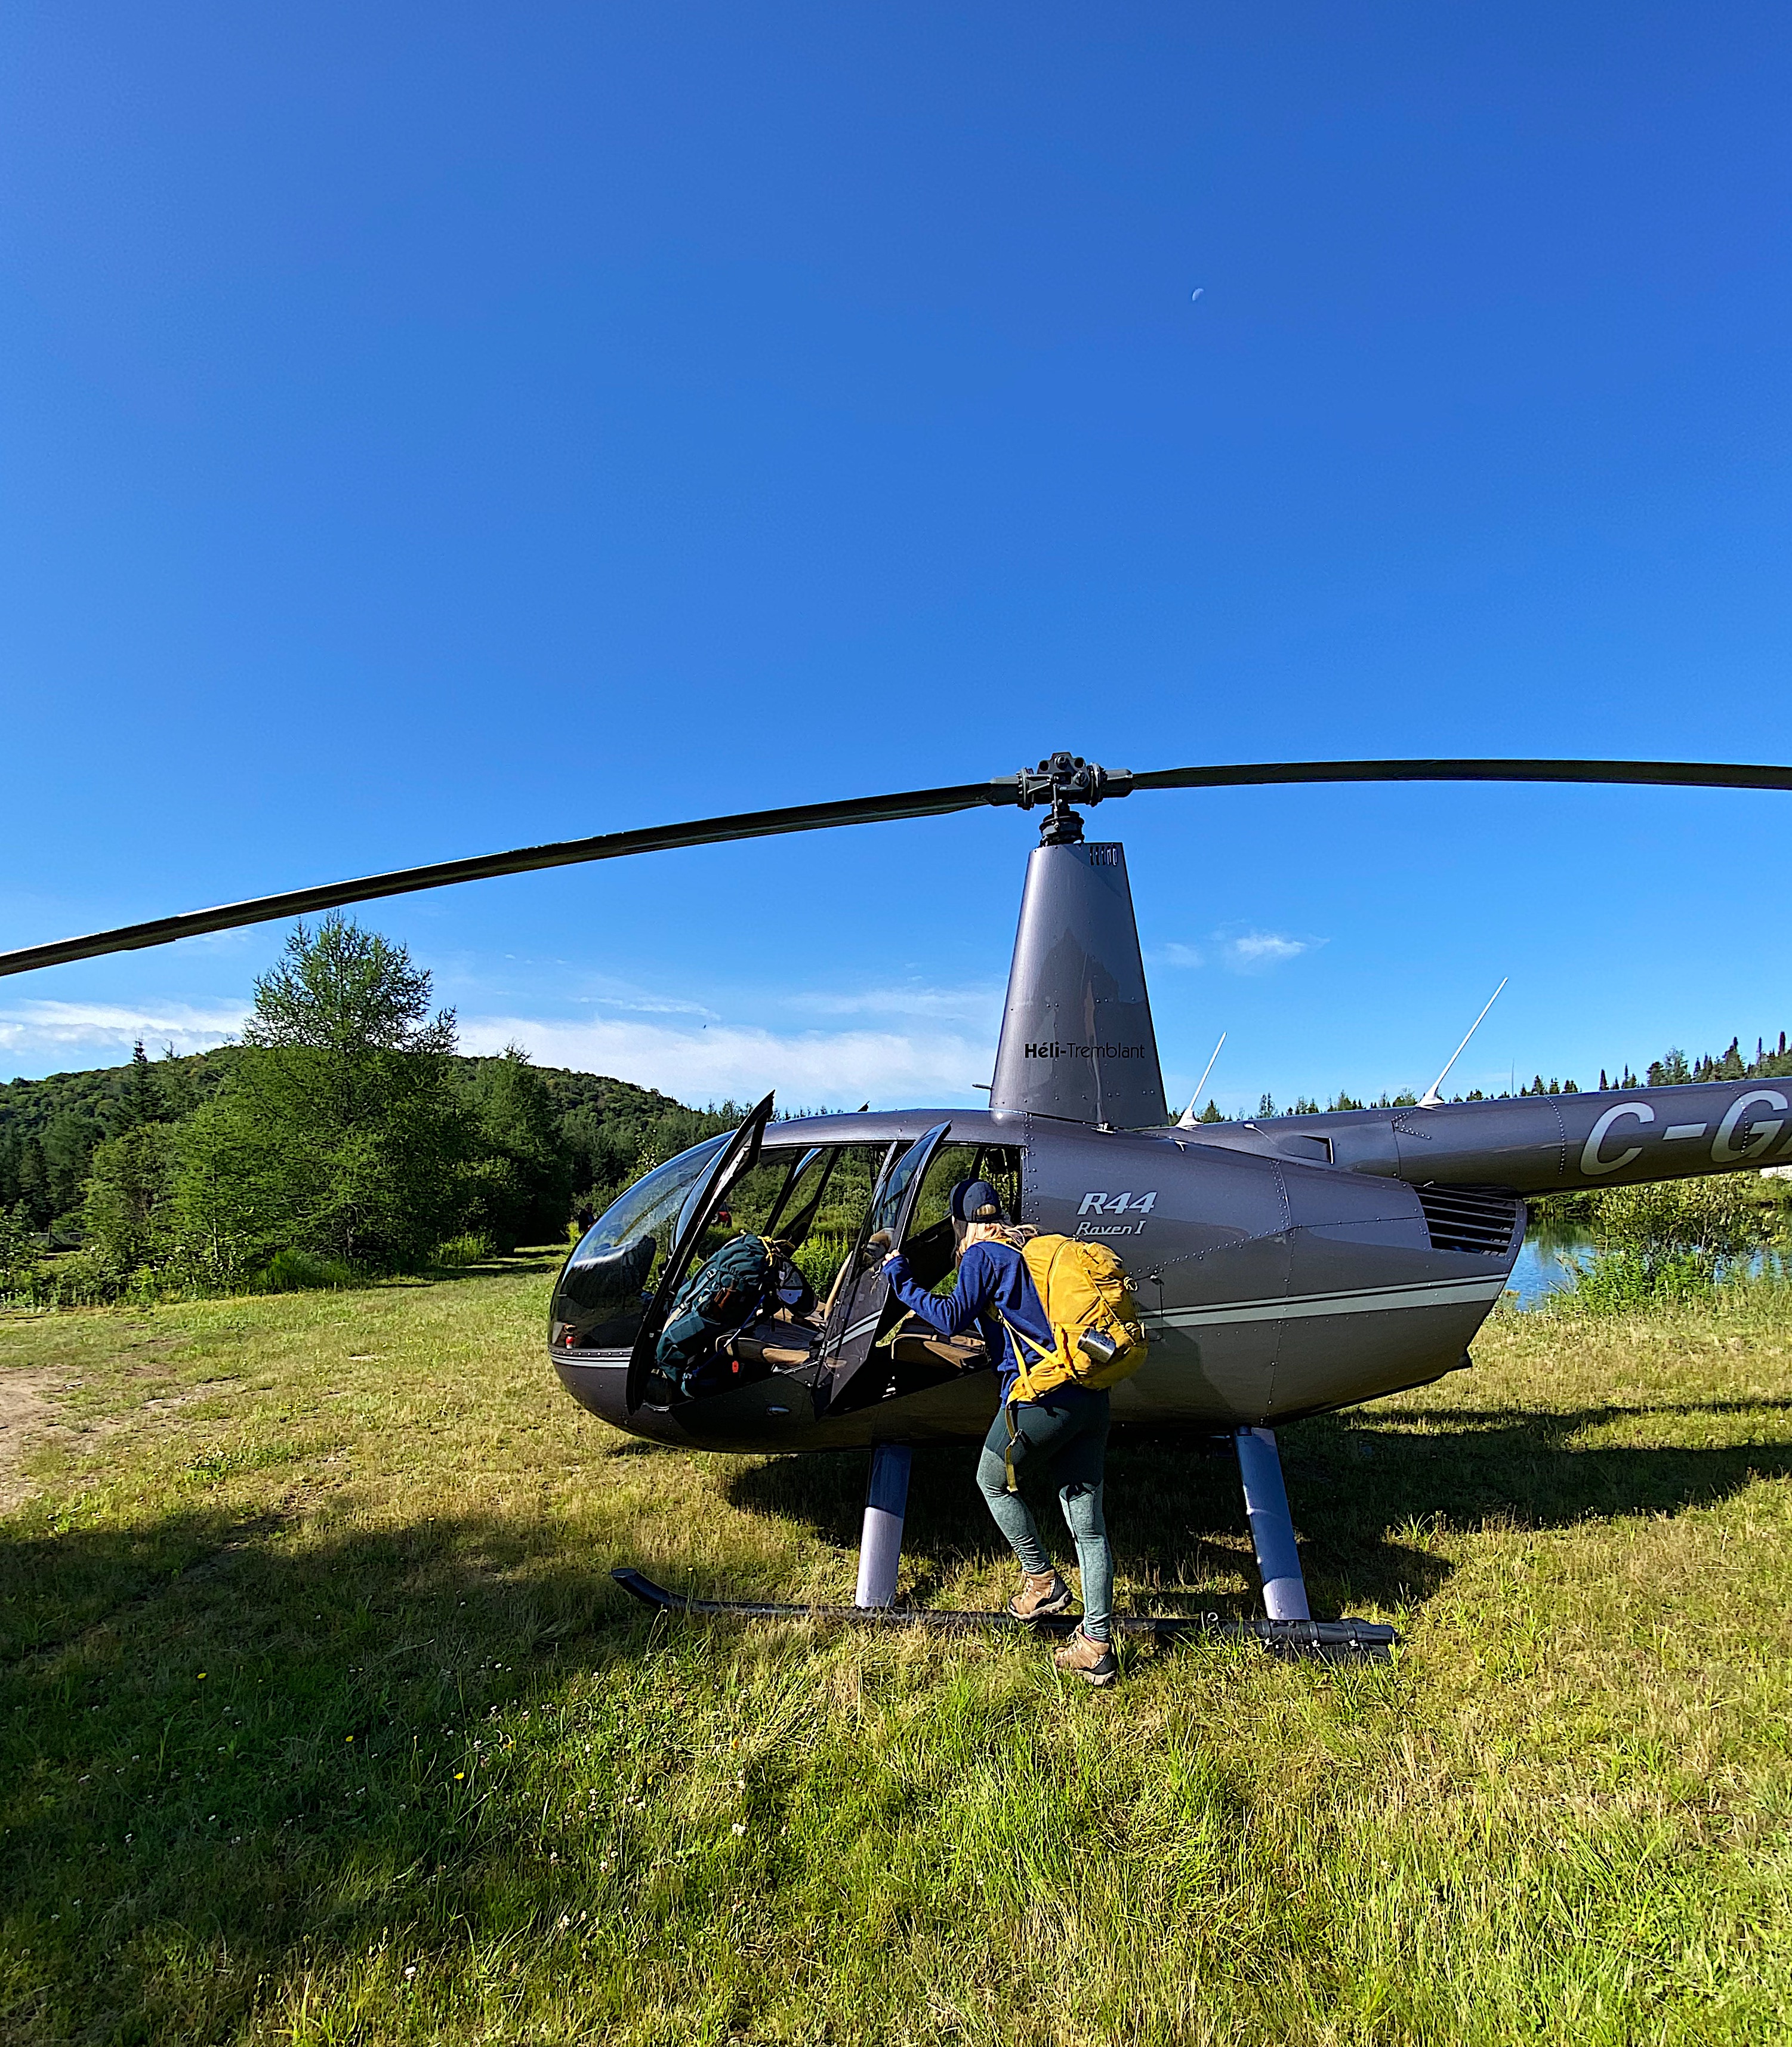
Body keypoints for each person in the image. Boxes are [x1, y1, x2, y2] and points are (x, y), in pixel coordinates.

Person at [881, 1179, 1117, 1686]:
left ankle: (1042, 1582)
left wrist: (898, 1275)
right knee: (1090, 1529)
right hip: (1090, 1393)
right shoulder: (1033, 1245)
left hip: (1042, 1397)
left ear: (960, 1222)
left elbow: (948, 1318)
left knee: (992, 1480)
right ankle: (1095, 1644)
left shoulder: (982, 1255)